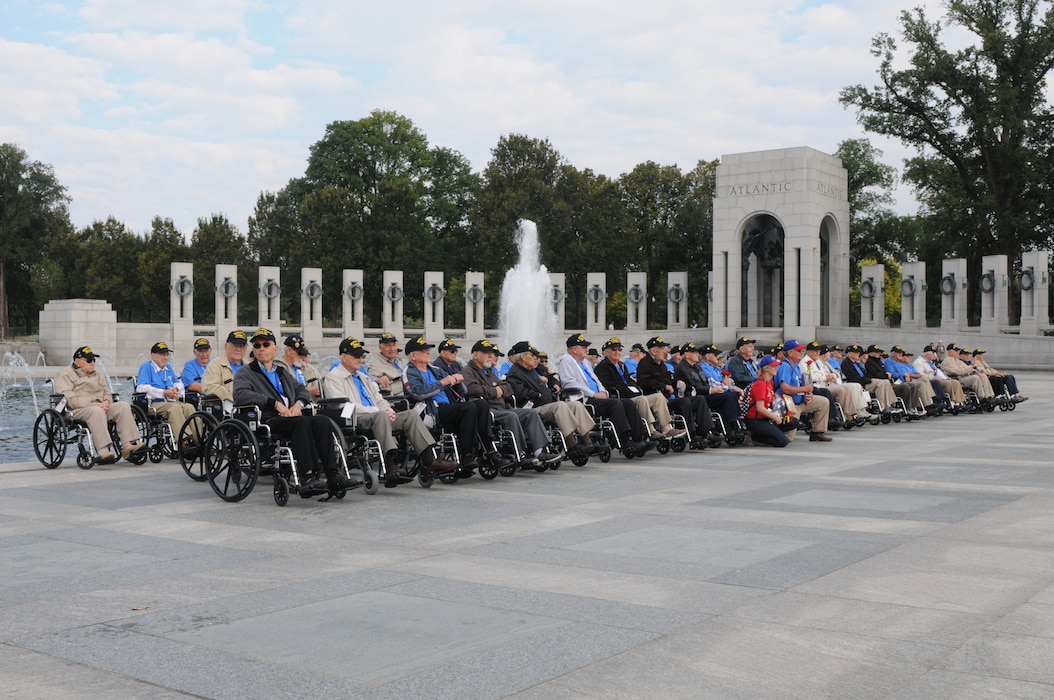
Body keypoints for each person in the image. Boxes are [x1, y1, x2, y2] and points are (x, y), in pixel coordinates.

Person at [233, 328, 354, 493]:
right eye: (257, 345)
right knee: (301, 422)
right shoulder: (245, 372)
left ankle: (333, 475)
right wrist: (274, 404)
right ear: (253, 349)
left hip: (290, 416)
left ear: (274, 348)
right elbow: (241, 395)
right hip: (267, 419)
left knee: (322, 421)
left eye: (266, 344)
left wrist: (298, 405)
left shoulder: (281, 371)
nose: (262, 348)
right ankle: (308, 476)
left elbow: (302, 390)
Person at [323, 336, 458, 485]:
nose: (359, 359)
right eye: (355, 356)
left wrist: (388, 409)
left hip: (377, 415)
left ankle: (428, 462)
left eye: (361, 356)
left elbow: (379, 398)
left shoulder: (363, 377)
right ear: (343, 356)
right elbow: (343, 406)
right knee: (380, 415)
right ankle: (390, 465)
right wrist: (376, 410)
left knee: (410, 415)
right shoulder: (333, 378)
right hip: (356, 418)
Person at [403, 336, 512, 472]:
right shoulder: (410, 373)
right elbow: (417, 393)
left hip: (449, 407)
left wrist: (458, 382)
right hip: (432, 411)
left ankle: (489, 450)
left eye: (428, 350)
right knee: (469, 407)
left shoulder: (435, 369)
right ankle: (467, 453)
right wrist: (443, 382)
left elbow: (463, 392)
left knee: (482, 404)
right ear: (413, 355)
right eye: (424, 351)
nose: (428, 353)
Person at [461, 339, 562, 468]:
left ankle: (539, 451)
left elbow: (508, 387)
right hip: (487, 410)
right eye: (486, 353)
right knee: (511, 416)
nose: (491, 356)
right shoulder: (468, 371)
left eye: (491, 353)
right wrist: (494, 391)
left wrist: (499, 390)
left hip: (502, 407)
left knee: (530, 413)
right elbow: (472, 389)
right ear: (475, 355)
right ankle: (521, 454)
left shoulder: (490, 372)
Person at [557, 333, 653, 454]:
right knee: (615, 404)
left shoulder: (585, 362)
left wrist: (603, 391)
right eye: (583, 347)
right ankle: (624, 442)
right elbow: (569, 383)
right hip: (584, 399)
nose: (586, 349)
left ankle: (638, 438)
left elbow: (596, 380)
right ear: (575, 349)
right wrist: (593, 394)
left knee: (628, 403)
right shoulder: (566, 361)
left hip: (597, 397)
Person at [504, 340, 600, 459]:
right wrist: (535, 394)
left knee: (576, 405)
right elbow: (519, 393)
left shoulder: (532, 369)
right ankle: (572, 445)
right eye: (533, 356)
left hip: (548, 404)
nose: (536, 359)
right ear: (523, 357)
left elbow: (552, 376)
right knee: (560, 405)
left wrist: (554, 385)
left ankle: (588, 442)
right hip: (533, 408)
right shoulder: (515, 373)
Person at [53, 346, 146, 462]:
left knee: (123, 406)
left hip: (100, 407)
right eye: (89, 360)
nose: (92, 363)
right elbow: (69, 398)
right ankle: (103, 450)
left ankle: (128, 446)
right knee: (96, 411)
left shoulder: (98, 375)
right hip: (76, 410)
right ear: (77, 362)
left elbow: (107, 392)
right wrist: (92, 405)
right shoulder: (65, 374)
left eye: (94, 360)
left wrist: (106, 402)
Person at [594, 337, 684, 439]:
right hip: (621, 398)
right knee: (642, 399)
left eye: (619, 350)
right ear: (606, 352)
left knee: (658, 397)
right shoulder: (602, 367)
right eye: (614, 350)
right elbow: (609, 386)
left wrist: (633, 387)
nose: (617, 352)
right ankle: (651, 430)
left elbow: (630, 382)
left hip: (633, 395)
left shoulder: (621, 366)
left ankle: (667, 429)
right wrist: (630, 389)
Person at [635, 336, 710, 441]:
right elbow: (643, 382)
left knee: (699, 399)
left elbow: (669, 381)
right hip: (656, 397)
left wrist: (678, 382)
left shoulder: (661, 364)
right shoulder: (644, 363)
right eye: (661, 349)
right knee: (685, 402)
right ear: (653, 351)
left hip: (668, 396)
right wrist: (663, 386)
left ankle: (705, 432)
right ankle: (690, 434)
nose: (664, 351)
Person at [678, 343, 743, 442]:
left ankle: (734, 425)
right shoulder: (683, 368)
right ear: (687, 355)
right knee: (727, 396)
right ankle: (727, 430)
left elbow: (706, 382)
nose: (697, 354)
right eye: (694, 352)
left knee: (731, 394)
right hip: (696, 395)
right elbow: (694, 385)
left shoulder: (696, 367)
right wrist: (710, 390)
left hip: (704, 393)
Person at [136, 341, 195, 449]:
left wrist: (176, 389)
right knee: (175, 407)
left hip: (170, 401)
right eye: (162, 354)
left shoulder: (168, 368)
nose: (166, 357)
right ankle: (185, 440)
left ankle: (197, 438)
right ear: (153, 356)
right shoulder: (147, 367)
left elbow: (178, 383)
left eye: (167, 354)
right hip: (154, 403)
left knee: (189, 407)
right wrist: (162, 392)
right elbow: (140, 388)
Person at [775, 340, 833, 442]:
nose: (802, 353)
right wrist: (804, 389)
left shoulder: (796, 365)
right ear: (790, 353)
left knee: (823, 402)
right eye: (799, 351)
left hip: (800, 401)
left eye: (802, 351)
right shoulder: (785, 366)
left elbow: (802, 383)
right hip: (789, 405)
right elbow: (785, 388)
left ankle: (817, 432)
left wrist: (808, 393)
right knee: (788, 438)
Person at [800, 341, 867, 426]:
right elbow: (809, 377)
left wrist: (829, 376)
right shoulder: (806, 362)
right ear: (809, 351)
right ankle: (843, 416)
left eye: (818, 351)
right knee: (842, 390)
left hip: (825, 384)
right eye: (815, 351)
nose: (818, 353)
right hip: (818, 386)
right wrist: (826, 377)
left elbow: (826, 373)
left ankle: (850, 415)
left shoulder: (816, 361)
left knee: (847, 388)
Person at [743, 355, 801, 447]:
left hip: (766, 418)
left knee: (794, 422)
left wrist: (781, 414)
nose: (776, 368)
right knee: (782, 442)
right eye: (774, 366)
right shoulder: (760, 384)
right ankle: (755, 436)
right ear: (766, 368)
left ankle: (770, 431)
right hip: (756, 420)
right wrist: (775, 418)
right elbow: (760, 408)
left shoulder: (770, 382)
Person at [840, 343, 897, 412]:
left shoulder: (855, 363)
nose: (858, 354)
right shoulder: (846, 364)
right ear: (849, 354)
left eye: (858, 352)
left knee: (886, 381)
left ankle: (890, 404)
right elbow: (854, 378)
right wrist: (870, 379)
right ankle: (883, 406)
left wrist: (871, 379)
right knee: (880, 383)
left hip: (864, 381)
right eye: (856, 352)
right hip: (860, 383)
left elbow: (864, 374)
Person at [885, 345, 936, 414]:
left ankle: (925, 404)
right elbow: (892, 374)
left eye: (901, 353)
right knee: (916, 384)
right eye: (898, 353)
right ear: (893, 353)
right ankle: (920, 405)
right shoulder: (889, 362)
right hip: (897, 382)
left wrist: (908, 374)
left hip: (906, 380)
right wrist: (904, 374)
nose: (900, 354)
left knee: (923, 380)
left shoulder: (900, 363)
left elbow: (917, 374)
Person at [913, 343, 966, 407]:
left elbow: (938, 372)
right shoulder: (919, 362)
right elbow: (920, 375)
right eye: (933, 353)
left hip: (936, 378)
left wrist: (946, 377)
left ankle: (958, 401)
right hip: (928, 381)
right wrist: (933, 377)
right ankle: (950, 401)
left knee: (955, 382)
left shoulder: (930, 362)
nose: (935, 355)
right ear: (927, 354)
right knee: (947, 384)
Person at [202, 330, 248, 404]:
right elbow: (210, 387)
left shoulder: (250, 367)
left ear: (246, 348)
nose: (238, 349)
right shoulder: (215, 364)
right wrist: (235, 397)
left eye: (241, 346)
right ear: (226, 346)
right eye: (235, 345)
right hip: (224, 408)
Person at [369, 332, 406, 396]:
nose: (392, 349)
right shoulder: (375, 365)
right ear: (380, 347)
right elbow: (369, 380)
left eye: (394, 345)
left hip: (412, 394)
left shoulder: (403, 361)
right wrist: (379, 380)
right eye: (388, 346)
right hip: (396, 399)